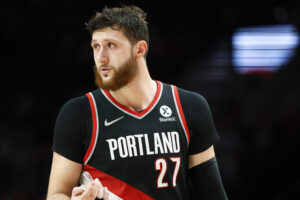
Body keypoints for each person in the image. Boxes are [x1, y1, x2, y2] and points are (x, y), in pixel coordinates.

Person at [46, 5, 228, 200]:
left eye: (111, 45)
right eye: (96, 46)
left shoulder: (188, 106)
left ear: (139, 49)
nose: (101, 58)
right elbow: (57, 194)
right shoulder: (78, 113)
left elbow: (213, 194)